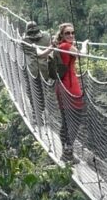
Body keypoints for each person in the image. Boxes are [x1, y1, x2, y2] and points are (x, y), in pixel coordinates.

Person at [38, 22, 88, 163]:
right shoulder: (66, 46)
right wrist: (84, 45)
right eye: (67, 33)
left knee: (66, 123)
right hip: (71, 89)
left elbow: (41, 55)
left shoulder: (58, 46)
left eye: (72, 33)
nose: (71, 35)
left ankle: (67, 154)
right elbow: (82, 55)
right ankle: (67, 153)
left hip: (61, 88)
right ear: (62, 35)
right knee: (75, 122)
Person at [21, 21, 50, 126]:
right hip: (45, 71)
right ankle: (40, 114)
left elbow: (22, 45)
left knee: (32, 92)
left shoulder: (25, 40)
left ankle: (36, 115)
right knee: (42, 93)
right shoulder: (46, 37)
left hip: (32, 71)